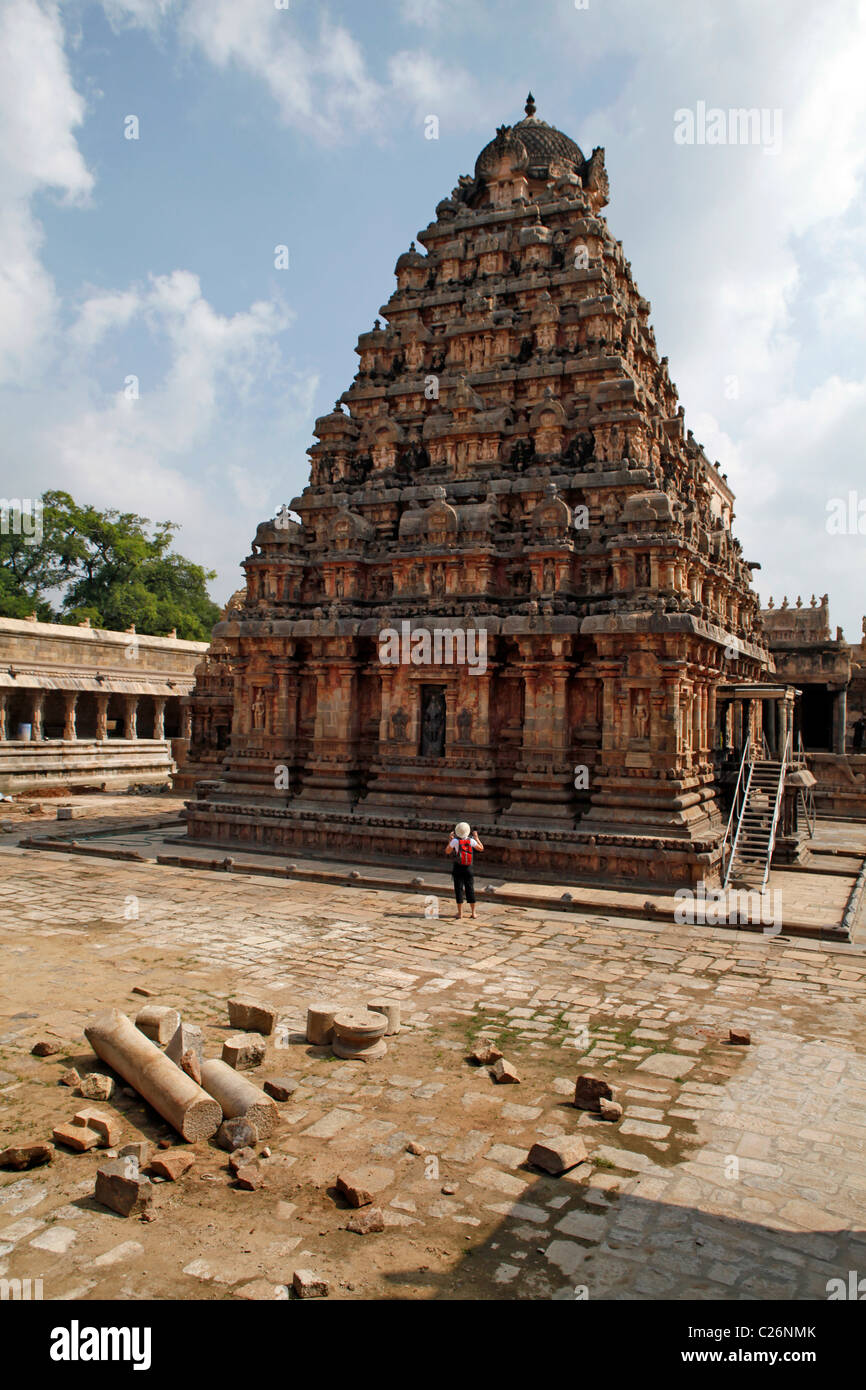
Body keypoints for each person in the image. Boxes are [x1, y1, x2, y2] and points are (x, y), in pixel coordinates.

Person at [445, 820, 483, 920]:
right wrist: (476, 838)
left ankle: (460, 913)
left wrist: (450, 840)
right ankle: (473, 913)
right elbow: (481, 848)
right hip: (468, 867)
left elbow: (448, 851)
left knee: (459, 889)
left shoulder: (455, 841)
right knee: (470, 888)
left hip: (458, 867)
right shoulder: (471, 841)